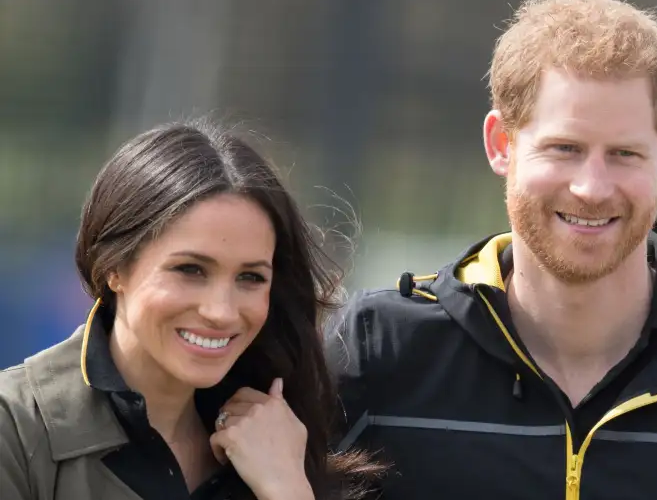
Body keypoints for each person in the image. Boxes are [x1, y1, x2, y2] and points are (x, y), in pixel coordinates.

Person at [328, 0, 657, 500]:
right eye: (564, 148)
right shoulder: (371, 354)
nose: (592, 188)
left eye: (623, 154)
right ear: (500, 145)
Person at [0, 119, 382, 500]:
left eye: (250, 277)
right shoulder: (16, 428)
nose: (221, 312)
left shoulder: (282, 444)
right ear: (113, 268)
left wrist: (286, 488)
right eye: (190, 270)